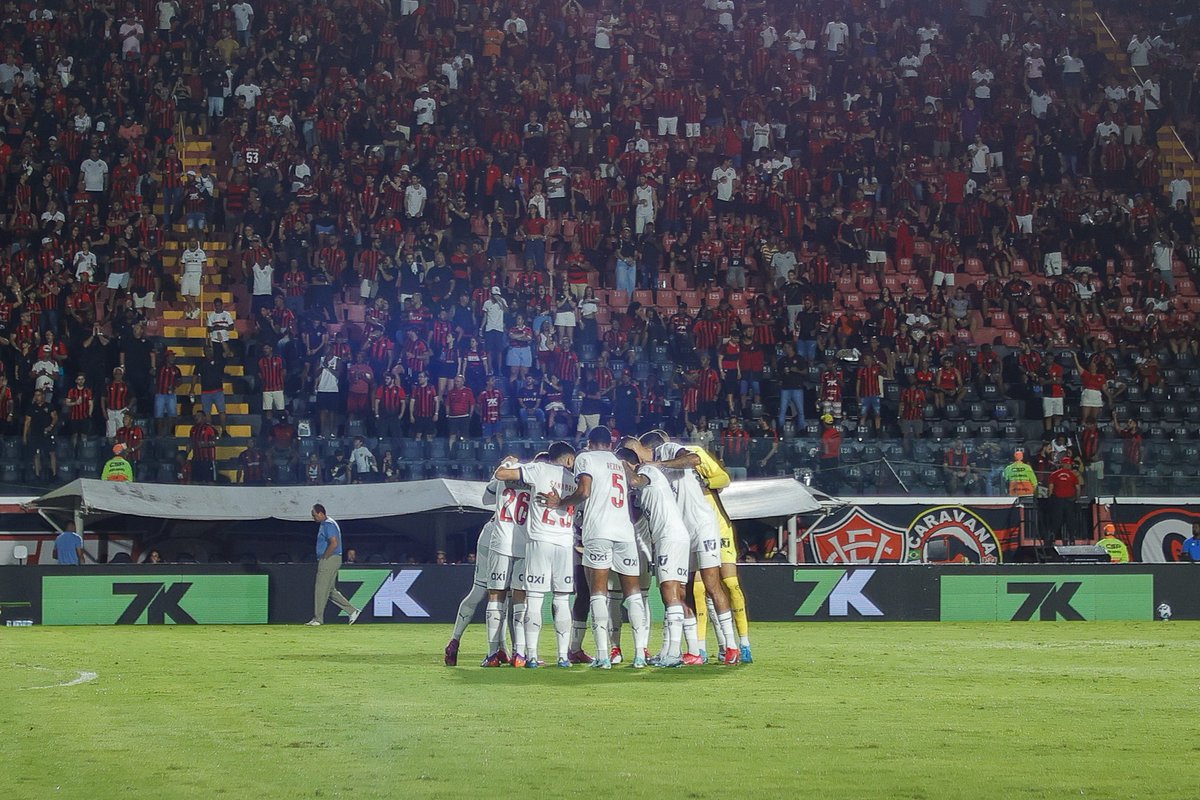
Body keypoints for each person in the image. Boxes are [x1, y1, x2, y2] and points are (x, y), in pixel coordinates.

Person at [544, 427, 649, 668]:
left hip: (598, 531)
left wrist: (560, 503)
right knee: (633, 595)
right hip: (625, 532)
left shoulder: (585, 458)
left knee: (598, 592)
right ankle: (641, 654)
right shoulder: (619, 461)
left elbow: (584, 491)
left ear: (590, 442)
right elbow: (635, 484)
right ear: (610, 443)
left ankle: (603, 655)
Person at [641, 429, 740, 665]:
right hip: (682, 532)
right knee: (682, 591)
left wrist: (660, 463)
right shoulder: (652, 473)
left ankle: (731, 646)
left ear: (649, 447)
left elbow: (693, 459)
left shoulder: (667, 449)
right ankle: (694, 651)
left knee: (712, 584)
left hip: (702, 526)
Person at [495, 442, 580, 668]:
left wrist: (511, 462)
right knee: (562, 600)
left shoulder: (539, 469)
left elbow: (502, 474)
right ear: (569, 459)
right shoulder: (576, 480)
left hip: (540, 540)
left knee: (535, 599)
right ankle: (563, 656)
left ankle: (531, 655)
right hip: (564, 543)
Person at [617, 446, 690, 667]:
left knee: (670, 591)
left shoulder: (647, 470)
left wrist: (622, 467)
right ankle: (669, 650)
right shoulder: (648, 479)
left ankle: (674, 653)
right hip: (673, 536)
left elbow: (635, 481)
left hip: (669, 536)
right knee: (675, 591)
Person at [306, 504, 361, 626]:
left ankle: (318, 619)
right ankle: (352, 611)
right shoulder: (328, 523)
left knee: (320, 589)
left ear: (321, 513)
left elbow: (334, 543)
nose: (313, 518)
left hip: (330, 559)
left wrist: (325, 557)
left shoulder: (328, 524)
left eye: (314, 515)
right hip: (334, 559)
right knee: (330, 591)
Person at [1043, 457, 1081, 545]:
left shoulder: (1054, 474)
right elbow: (1078, 488)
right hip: (1069, 501)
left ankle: (1052, 537)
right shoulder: (1073, 475)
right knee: (1070, 520)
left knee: (1056, 519)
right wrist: (1077, 498)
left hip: (1058, 500)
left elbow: (1050, 488)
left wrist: (1050, 498)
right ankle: (1072, 538)